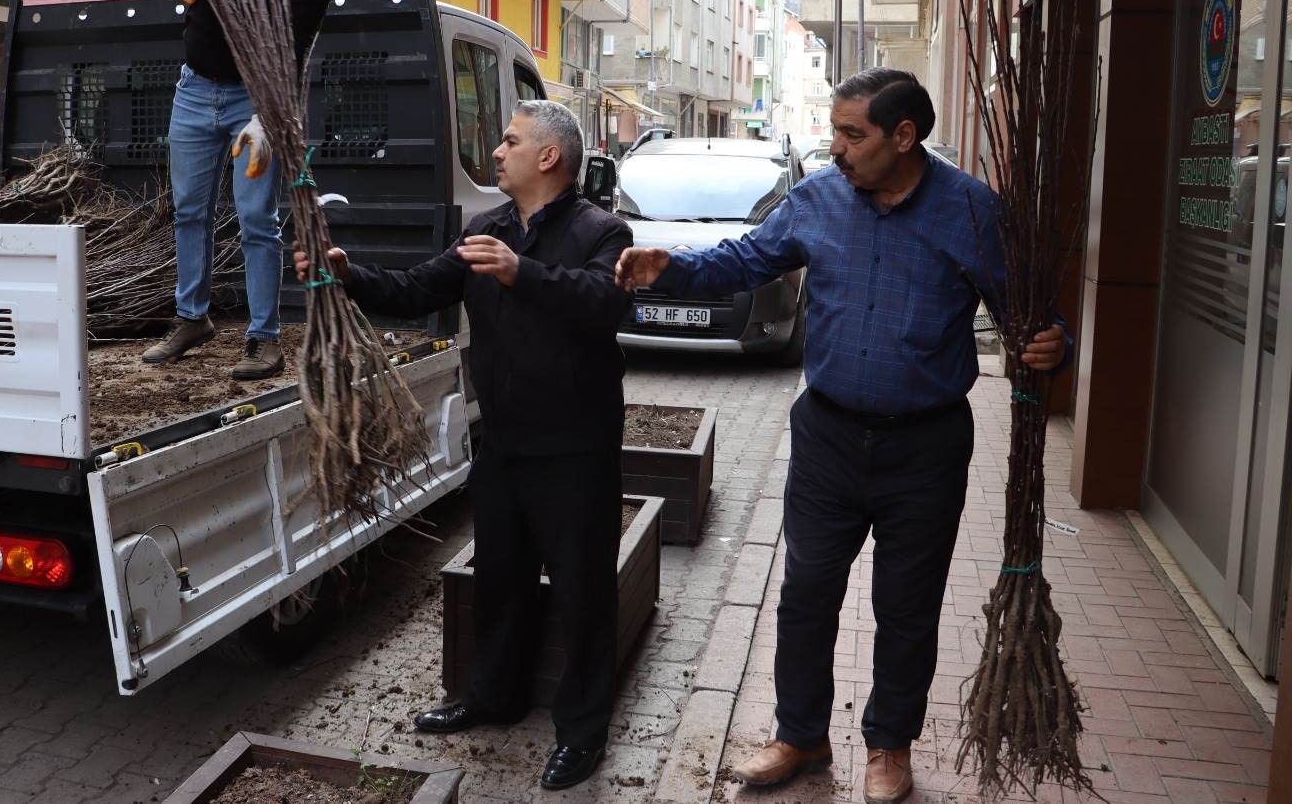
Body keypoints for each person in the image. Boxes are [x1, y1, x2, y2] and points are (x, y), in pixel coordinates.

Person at [616, 69, 1069, 804]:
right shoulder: (818, 198)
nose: (836, 150)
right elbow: (748, 258)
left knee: (908, 603)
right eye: (834, 132)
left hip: (926, 447)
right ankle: (800, 735)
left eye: (852, 135)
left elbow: (1028, 312)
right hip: (827, 436)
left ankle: (890, 745)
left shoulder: (972, 211)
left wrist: (1054, 343)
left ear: (903, 136)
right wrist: (674, 266)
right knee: (806, 593)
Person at [294, 101, 632, 792]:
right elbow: (419, 289)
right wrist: (348, 273)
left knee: (584, 592)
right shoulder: (487, 228)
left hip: (576, 449)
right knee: (501, 579)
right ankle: (492, 697)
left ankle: (582, 732)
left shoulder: (602, 229)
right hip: (505, 441)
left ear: (548, 157)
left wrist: (521, 274)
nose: (497, 151)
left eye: (510, 141)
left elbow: (607, 303)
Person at [143, 0, 340, 377]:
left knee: (257, 217)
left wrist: (267, 118)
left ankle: (264, 337)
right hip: (194, 88)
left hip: (257, 99)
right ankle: (192, 318)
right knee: (188, 210)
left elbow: (292, 54)